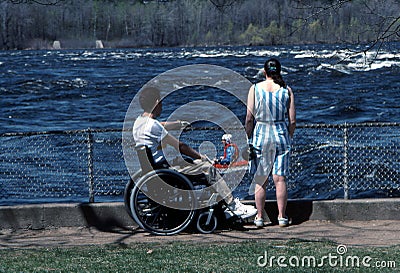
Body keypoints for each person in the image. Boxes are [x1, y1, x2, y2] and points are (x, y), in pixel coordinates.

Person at [132, 86, 257, 219]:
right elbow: (180, 146)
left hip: (154, 167)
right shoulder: (153, 126)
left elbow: (157, 125)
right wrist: (201, 156)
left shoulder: (138, 122)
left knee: (197, 164)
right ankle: (232, 205)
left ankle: (220, 205)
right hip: (166, 170)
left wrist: (177, 124)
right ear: (157, 102)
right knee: (209, 168)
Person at [245, 58, 296, 228]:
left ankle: (259, 217)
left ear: (264, 72)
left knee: (261, 179)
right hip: (280, 135)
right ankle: (282, 216)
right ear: (279, 71)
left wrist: (248, 137)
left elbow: (249, 118)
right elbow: (293, 120)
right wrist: (288, 135)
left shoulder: (255, 88)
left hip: (261, 136)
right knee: (279, 179)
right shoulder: (286, 90)